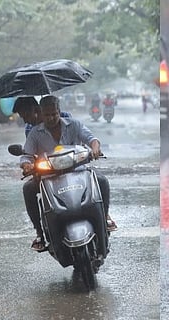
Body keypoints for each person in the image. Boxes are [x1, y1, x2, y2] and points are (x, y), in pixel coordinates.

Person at [19, 95, 117, 251]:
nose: (51, 118)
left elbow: (92, 139)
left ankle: (104, 217)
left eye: (54, 114)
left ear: (59, 112)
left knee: (102, 180)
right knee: (27, 189)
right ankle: (39, 233)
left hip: (78, 171)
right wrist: (26, 165)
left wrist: (95, 149)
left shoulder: (74, 125)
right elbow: (26, 155)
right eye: (47, 115)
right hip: (49, 176)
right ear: (41, 114)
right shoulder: (35, 133)